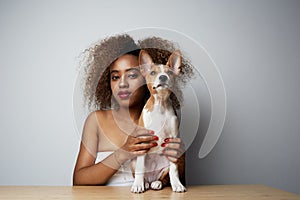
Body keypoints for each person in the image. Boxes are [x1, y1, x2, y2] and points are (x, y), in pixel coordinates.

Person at [73, 34, 194, 186]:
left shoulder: (166, 120)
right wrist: (123, 153)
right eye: (115, 77)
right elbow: (78, 182)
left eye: (131, 75)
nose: (122, 83)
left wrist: (180, 160)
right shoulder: (96, 120)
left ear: (148, 78)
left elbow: (178, 186)